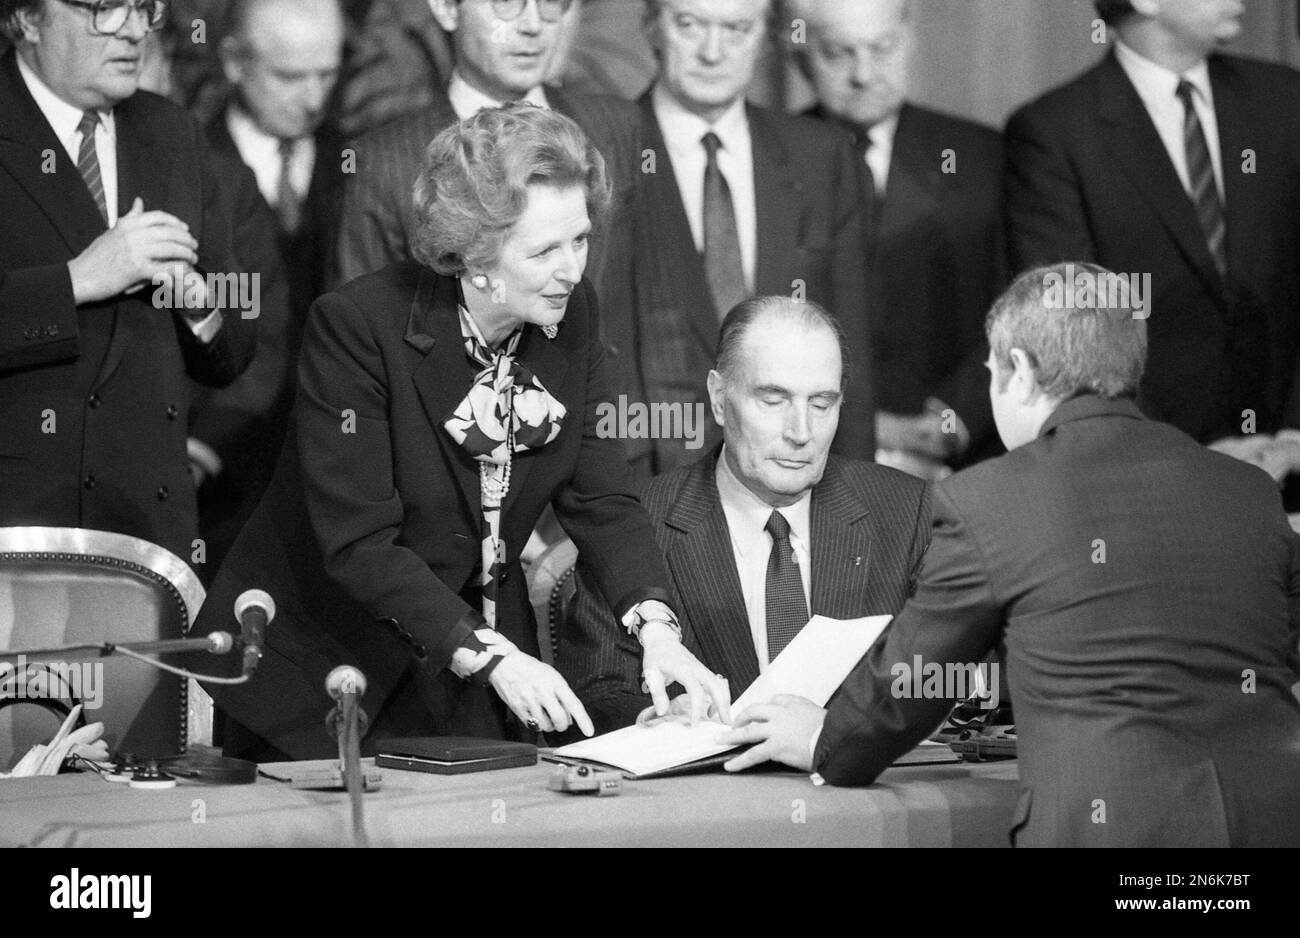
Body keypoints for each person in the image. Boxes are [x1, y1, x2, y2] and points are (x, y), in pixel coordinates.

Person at [194, 104, 729, 759]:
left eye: (582, 239)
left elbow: (601, 500)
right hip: (329, 664)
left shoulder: (570, 314)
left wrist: (657, 631)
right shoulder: (357, 329)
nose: (573, 269)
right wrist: (490, 658)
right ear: (476, 251)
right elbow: (360, 545)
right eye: (545, 250)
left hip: (473, 662)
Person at [723, 262, 1300, 848]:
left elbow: (916, 677)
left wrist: (826, 739)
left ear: (1019, 371)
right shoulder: (1249, 491)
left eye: (993, 371)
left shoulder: (992, 499)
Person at [560, 296, 929, 732]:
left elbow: (953, 679)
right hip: (704, 794)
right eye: (773, 400)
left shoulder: (906, 511)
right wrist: (655, 719)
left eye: (821, 403)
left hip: (862, 793)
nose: (801, 433)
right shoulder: (637, 526)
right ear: (719, 398)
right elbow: (597, 690)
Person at [0, 0, 253, 565]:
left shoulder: (173, 133)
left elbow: (240, 334)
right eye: (105, 9)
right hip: (20, 533)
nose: (135, 30)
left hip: (147, 532)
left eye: (145, 8)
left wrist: (199, 302)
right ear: (27, 19)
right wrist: (75, 281)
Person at [1005, 0, 1300, 481]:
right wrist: (1171, 455)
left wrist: (1292, 439)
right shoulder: (1054, 133)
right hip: (1146, 481)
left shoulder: (1285, 98)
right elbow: (1073, 329)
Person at [609, 0, 875, 475]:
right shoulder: (603, 153)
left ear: (767, 36)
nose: (713, 52)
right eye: (690, 25)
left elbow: (848, 349)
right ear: (652, 25)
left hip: (795, 484)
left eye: (736, 28)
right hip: (644, 486)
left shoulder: (822, 157)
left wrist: (856, 503)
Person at [792, 0, 1004, 477]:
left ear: (908, 40)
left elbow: (1016, 303)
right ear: (801, 55)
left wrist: (955, 419)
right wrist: (868, 426)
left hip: (967, 455)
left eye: (881, 48)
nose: (864, 73)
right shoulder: (768, 158)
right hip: (814, 452)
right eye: (838, 53)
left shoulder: (983, 155)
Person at [331, 0, 640, 294]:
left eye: (549, 1)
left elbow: (660, 304)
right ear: (446, 8)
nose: (533, 24)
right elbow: (360, 331)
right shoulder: (382, 163)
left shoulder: (619, 128)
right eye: (505, 2)